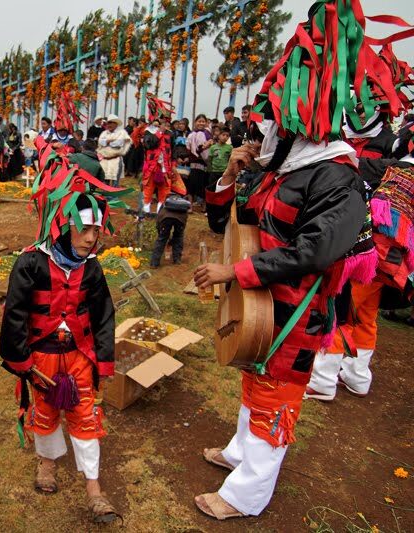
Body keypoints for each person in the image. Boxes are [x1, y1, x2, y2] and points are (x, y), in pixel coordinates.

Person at [192, 0, 404, 519]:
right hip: (264, 302)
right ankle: (240, 454)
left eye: (275, 117)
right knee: (253, 377)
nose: (266, 126)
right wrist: (232, 176)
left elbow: (315, 252)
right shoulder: (283, 168)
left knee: (275, 396)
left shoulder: (336, 177)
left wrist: (235, 272)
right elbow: (238, 223)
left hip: (299, 313)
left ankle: (246, 496)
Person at [0, 136, 128, 524]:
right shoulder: (30, 264)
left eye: (97, 230)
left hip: (78, 357)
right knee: (45, 411)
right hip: (41, 357)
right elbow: (15, 316)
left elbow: (104, 316)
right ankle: (47, 464)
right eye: (83, 229)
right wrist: (20, 360)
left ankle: (94, 486)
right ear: (61, 223)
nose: (92, 238)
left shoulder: (92, 268)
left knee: (85, 414)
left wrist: (103, 361)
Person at [307, 125, 414, 401]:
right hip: (395, 264)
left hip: (374, 255)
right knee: (366, 316)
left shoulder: (398, 174)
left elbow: (383, 217)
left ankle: (323, 380)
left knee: (340, 311)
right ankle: (357, 377)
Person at [150, 173, 190, 267]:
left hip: (165, 219)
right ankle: (177, 260)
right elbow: (184, 220)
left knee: (162, 239)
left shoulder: (165, 203)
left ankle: (154, 263)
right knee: (178, 237)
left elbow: (159, 218)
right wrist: (177, 235)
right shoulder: (183, 205)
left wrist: (160, 231)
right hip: (180, 220)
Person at [141, 120, 175, 215]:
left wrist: (173, 165)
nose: (163, 125)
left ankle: (161, 214)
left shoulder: (170, 135)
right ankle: (145, 213)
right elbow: (149, 145)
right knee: (148, 190)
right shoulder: (148, 132)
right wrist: (159, 132)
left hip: (166, 167)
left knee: (165, 192)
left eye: (164, 123)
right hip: (151, 167)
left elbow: (173, 150)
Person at [186, 114, 213, 205]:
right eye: (199, 121)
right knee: (191, 184)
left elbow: (210, 147)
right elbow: (188, 147)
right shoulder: (191, 134)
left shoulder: (207, 134)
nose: (201, 123)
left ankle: (204, 206)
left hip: (204, 163)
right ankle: (190, 205)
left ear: (206, 123)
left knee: (204, 183)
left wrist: (203, 149)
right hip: (193, 162)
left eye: (203, 121)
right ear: (195, 122)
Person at [97, 114, 132, 186]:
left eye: (110, 123)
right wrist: (108, 141)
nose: (108, 125)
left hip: (116, 159)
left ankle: (113, 196)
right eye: (108, 123)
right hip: (105, 159)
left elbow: (118, 143)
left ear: (115, 123)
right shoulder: (104, 133)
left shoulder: (122, 132)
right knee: (105, 179)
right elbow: (100, 142)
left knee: (115, 180)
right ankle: (105, 195)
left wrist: (107, 142)